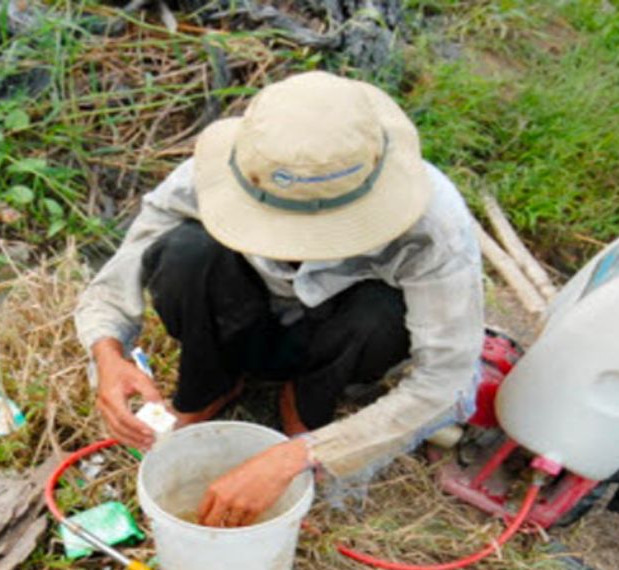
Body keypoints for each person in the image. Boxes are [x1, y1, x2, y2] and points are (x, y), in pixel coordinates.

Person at [74, 71, 485, 528]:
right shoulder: (218, 172)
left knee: (383, 312)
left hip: (340, 333)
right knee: (186, 254)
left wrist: (303, 455)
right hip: (240, 318)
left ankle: (304, 407)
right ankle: (210, 388)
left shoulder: (433, 225)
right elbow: (120, 275)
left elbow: (445, 382)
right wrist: (107, 354)